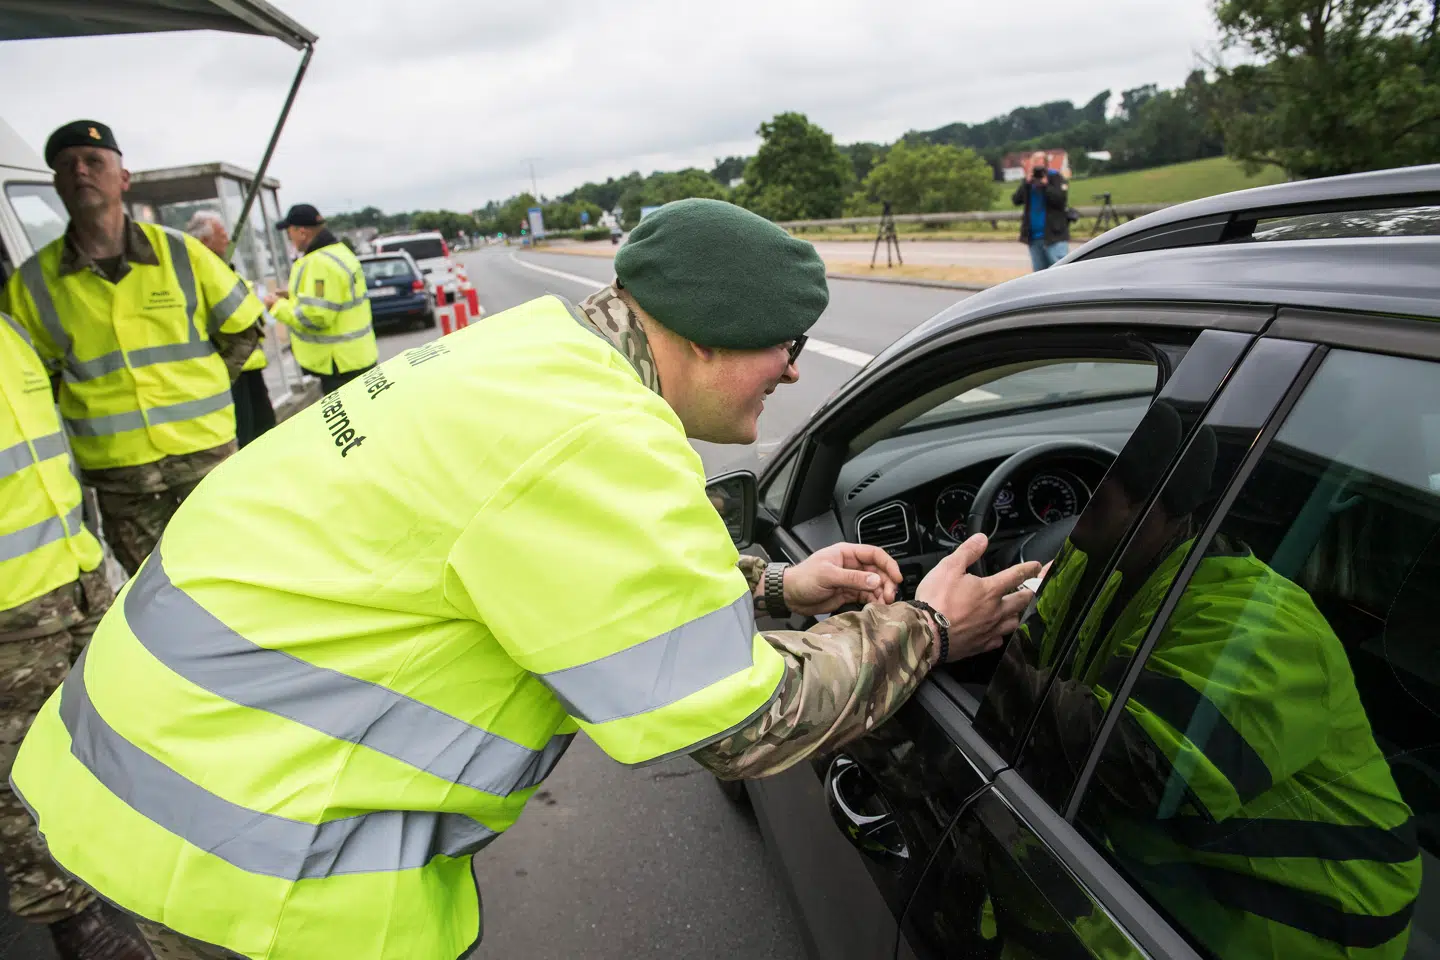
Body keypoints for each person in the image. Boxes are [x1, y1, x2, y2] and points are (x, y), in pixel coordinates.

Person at [13, 198, 1042, 960]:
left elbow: (539, 553)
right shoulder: (593, 434)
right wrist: (929, 630)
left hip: (141, 781)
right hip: (250, 867)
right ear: (699, 335)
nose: (790, 370)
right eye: (785, 345)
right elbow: (738, 723)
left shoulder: (535, 357)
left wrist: (776, 589)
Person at [977, 403, 1420, 958]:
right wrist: (953, 626)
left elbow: (1137, 766)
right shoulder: (1095, 561)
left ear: (1156, 502)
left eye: (1111, 478)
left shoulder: (1257, 622)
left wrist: (938, 635)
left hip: (1312, 920)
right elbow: (1017, 656)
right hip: (1177, 879)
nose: (1092, 490)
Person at [1, 120, 265, 576]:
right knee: (155, 595)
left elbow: (245, 326)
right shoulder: (31, 284)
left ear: (122, 178)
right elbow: (34, 381)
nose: (81, 171)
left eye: (94, 161)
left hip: (205, 458)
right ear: (58, 185)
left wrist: (209, 382)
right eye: (67, 165)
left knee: (241, 569)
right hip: (120, 478)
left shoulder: (181, 253)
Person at [0, 309, 151, 960]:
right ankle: (74, 924)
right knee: (18, 772)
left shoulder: (9, 330)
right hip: (11, 610)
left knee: (111, 725)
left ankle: (128, 869)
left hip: (76, 577)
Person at [263, 204, 377, 396]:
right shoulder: (340, 252)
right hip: (356, 356)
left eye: (289, 232)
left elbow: (316, 317)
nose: (289, 238)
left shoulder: (319, 263)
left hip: (339, 364)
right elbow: (334, 298)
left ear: (302, 232)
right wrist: (294, 298)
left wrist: (277, 306)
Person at [186, 211, 277, 448]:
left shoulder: (222, 269)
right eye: (221, 233)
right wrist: (261, 306)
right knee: (245, 437)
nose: (227, 239)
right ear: (205, 240)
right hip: (231, 371)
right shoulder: (199, 272)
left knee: (265, 430)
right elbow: (236, 314)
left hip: (248, 365)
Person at [1011, 150, 1070, 272]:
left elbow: (1060, 200)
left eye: (1040, 164)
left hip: (1054, 236)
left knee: (1060, 272)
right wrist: (1026, 183)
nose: (1037, 168)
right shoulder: (1028, 182)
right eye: (1034, 164)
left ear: (1046, 165)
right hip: (1034, 237)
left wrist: (1046, 185)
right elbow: (1016, 200)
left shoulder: (1055, 177)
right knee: (1039, 275)